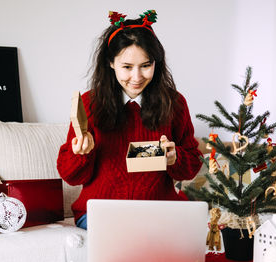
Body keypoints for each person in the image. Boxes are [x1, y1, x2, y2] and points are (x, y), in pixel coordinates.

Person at [57, 10, 202, 230]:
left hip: (160, 212)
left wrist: (175, 158)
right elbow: (70, 176)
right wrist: (81, 154)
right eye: (126, 67)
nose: (136, 77)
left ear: (157, 63)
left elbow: (192, 164)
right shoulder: (89, 104)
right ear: (111, 63)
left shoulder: (175, 103)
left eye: (146, 65)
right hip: (102, 214)